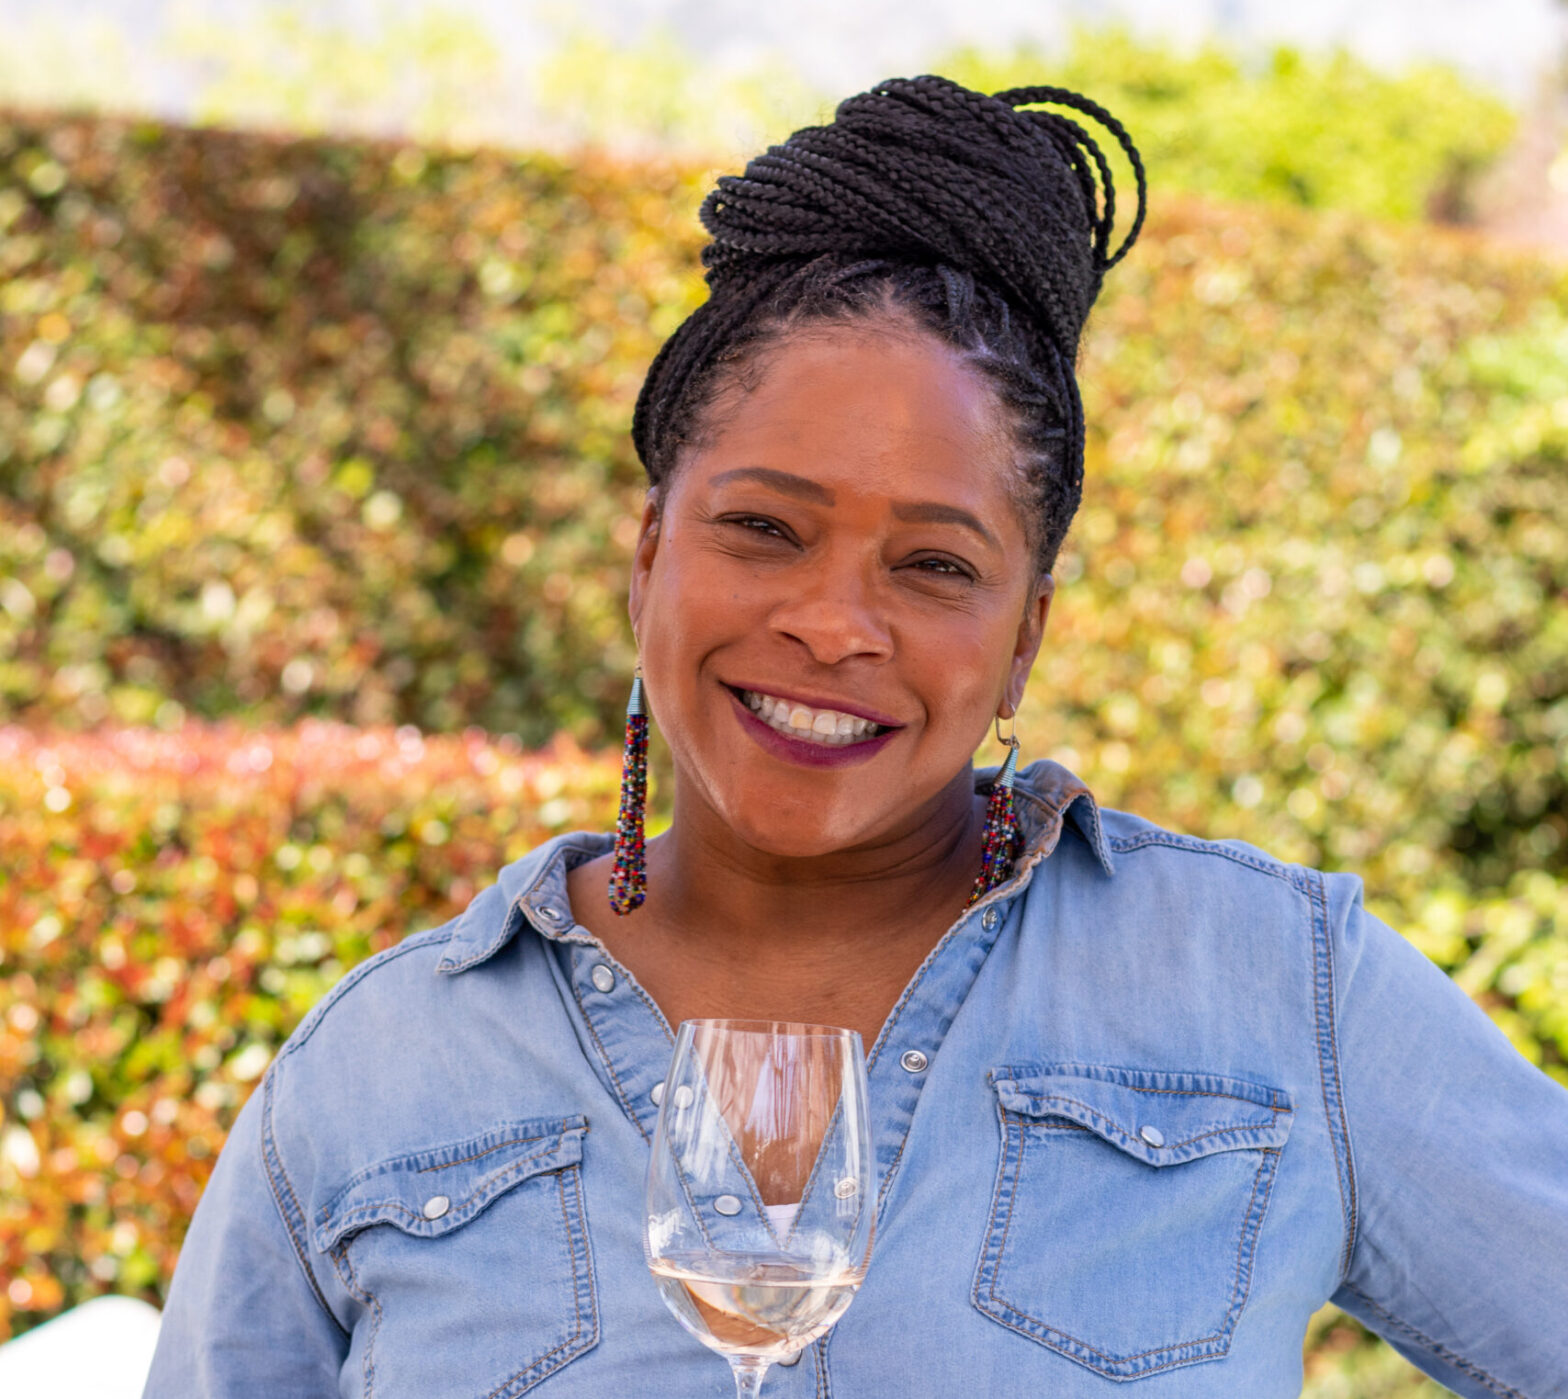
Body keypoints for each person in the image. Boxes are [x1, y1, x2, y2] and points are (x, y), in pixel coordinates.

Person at [145, 75, 1568, 1398]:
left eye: (936, 566)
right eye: (763, 528)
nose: (835, 626)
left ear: (1025, 637)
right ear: (647, 558)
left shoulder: (1275, 994)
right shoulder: (384, 1073)